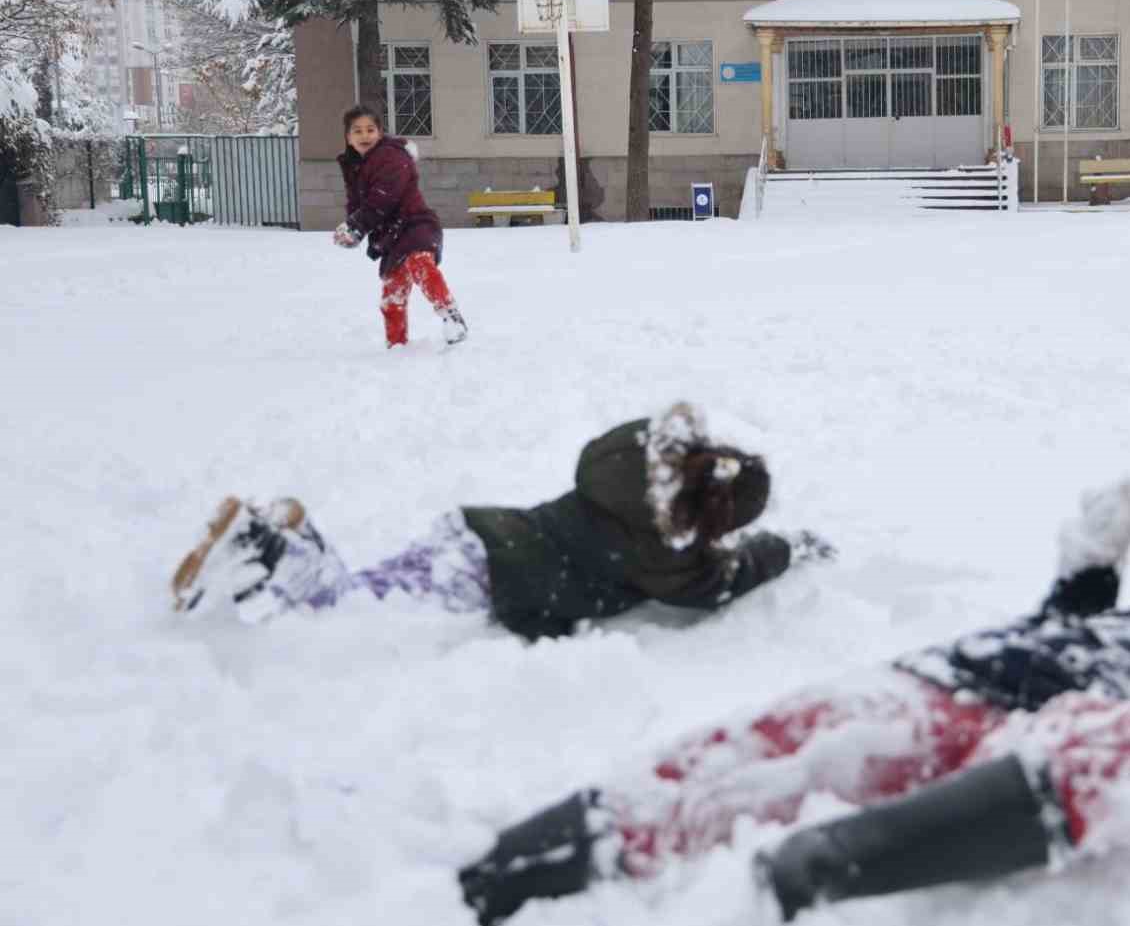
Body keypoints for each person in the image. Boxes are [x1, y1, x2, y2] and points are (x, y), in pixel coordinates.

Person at [456, 478, 1130, 926]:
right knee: (772, 743)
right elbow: (1085, 638)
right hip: (988, 673)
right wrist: (1091, 569)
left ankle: (822, 865)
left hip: (1077, 736)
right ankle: (505, 873)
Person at [170, 403, 832, 638]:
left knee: (372, 590)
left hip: (474, 530)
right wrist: (787, 546)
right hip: (488, 577)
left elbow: (641, 440)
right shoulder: (668, 557)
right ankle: (259, 546)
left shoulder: (623, 468)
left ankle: (298, 539)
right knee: (348, 611)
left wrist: (686, 450)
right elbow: (727, 580)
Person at [335, 104, 468, 348]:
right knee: (392, 295)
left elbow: (383, 197)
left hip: (415, 224)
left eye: (370, 130)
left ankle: (452, 317)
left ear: (380, 132)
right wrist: (351, 228)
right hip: (390, 237)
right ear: (348, 137)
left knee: (420, 264)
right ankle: (396, 346)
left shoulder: (391, 157)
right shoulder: (355, 166)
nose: (365, 136)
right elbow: (356, 202)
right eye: (357, 131)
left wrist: (357, 225)